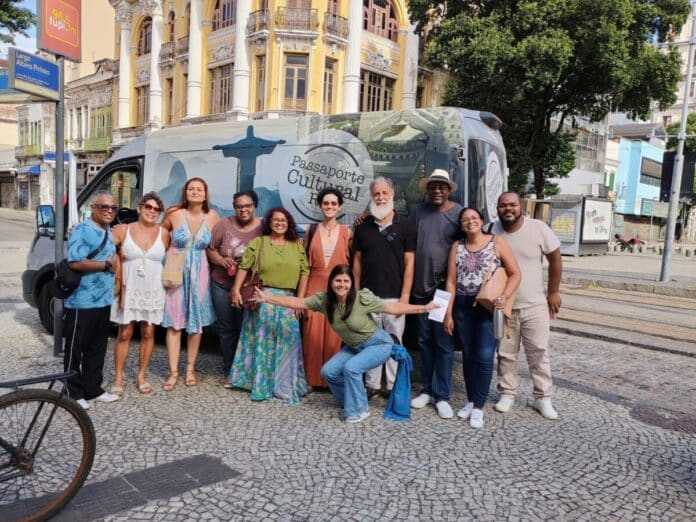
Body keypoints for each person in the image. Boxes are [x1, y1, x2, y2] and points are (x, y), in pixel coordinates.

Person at [252, 264, 438, 423]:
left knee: (351, 368)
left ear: (351, 283)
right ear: (331, 282)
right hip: (355, 346)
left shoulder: (362, 298)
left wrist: (424, 308)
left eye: (346, 281)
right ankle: (352, 400)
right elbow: (297, 302)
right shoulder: (324, 301)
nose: (342, 285)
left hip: (379, 344)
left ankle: (359, 410)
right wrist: (267, 298)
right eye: (338, 280)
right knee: (329, 372)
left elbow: (392, 307)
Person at [443, 208, 520, 428]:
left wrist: (505, 297)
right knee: (468, 355)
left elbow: (516, 273)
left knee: (485, 356)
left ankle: (478, 407)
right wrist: (448, 313)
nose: (470, 222)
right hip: (463, 307)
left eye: (474, 218)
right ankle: (470, 400)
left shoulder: (497, 242)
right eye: (465, 219)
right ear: (461, 224)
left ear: (482, 221)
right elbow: (450, 282)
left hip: (488, 307)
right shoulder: (456, 247)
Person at [491, 192, 562, 420]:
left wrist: (553, 291)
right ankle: (507, 393)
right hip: (503, 306)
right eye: (503, 206)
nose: (508, 209)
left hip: (534, 305)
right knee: (505, 354)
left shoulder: (538, 228)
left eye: (512, 205)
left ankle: (543, 398)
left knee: (539, 353)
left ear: (520, 206)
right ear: (498, 208)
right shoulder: (490, 230)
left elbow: (555, 259)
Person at [229, 207, 309, 403]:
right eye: (275, 220)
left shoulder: (297, 246)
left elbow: (304, 272)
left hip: (288, 301)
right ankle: (260, 384)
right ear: (269, 223)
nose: (280, 223)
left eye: (284, 220)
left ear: (289, 223)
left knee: (287, 345)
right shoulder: (259, 242)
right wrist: (235, 290)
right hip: (262, 298)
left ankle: (284, 385)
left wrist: (300, 300)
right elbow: (244, 266)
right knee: (262, 345)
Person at [353, 177, 416, 399]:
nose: (380, 198)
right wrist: (358, 293)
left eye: (384, 193)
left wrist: (405, 297)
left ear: (392, 195)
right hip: (368, 297)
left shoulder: (406, 224)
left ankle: (391, 386)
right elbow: (357, 263)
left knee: (393, 342)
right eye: (376, 194)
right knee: (371, 343)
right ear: (371, 197)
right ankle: (371, 385)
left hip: (395, 297)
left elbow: (410, 264)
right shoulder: (363, 227)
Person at [410, 169, 463, 419]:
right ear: (427, 190)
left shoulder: (458, 213)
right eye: (433, 187)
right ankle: (427, 390)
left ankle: (442, 395)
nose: (437, 191)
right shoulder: (419, 212)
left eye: (442, 187)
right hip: (420, 289)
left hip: (443, 290)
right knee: (424, 341)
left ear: (449, 189)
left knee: (443, 343)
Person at [61, 191, 120, 410]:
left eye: (113, 208)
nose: (109, 211)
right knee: (76, 347)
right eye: (104, 207)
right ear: (93, 208)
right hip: (82, 301)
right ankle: (72, 391)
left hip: (102, 301)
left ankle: (93, 388)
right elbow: (75, 262)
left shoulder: (108, 231)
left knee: (97, 347)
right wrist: (105, 266)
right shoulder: (82, 230)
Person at [161, 177, 220, 390]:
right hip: (177, 269)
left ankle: (190, 369)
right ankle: (173, 372)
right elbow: (161, 237)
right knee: (175, 323)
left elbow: (216, 246)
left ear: (205, 194)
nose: (194, 192)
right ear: (185, 193)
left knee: (196, 326)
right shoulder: (174, 214)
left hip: (201, 271)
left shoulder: (213, 217)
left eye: (199, 189)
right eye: (191, 189)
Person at [110, 192, 170, 396]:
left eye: (156, 209)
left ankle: (141, 375)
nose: (152, 211)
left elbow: (174, 258)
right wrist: (117, 259)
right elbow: (104, 249)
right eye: (148, 207)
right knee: (125, 333)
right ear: (140, 208)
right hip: (130, 288)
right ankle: (118, 377)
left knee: (148, 332)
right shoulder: (122, 230)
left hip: (154, 289)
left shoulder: (164, 233)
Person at [207, 190, 263, 388]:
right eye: (239, 206)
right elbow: (211, 249)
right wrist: (221, 260)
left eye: (247, 206)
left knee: (245, 328)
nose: (243, 209)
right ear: (235, 208)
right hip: (222, 284)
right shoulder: (223, 224)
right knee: (226, 329)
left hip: (248, 287)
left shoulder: (263, 227)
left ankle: (246, 371)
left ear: (254, 207)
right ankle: (230, 369)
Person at [302, 188, 352, 389]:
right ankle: (311, 380)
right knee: (312, 335)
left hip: (339, 291)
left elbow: (352, 267)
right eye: (326, 203)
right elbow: (304, 267)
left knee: (335, 336)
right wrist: (302, 298)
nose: (330, 207)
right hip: (314, 286)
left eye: (333, 203)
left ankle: (332, 381)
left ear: (339, 206)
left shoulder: (347, 232)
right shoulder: (310, 230)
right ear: (320, 206)